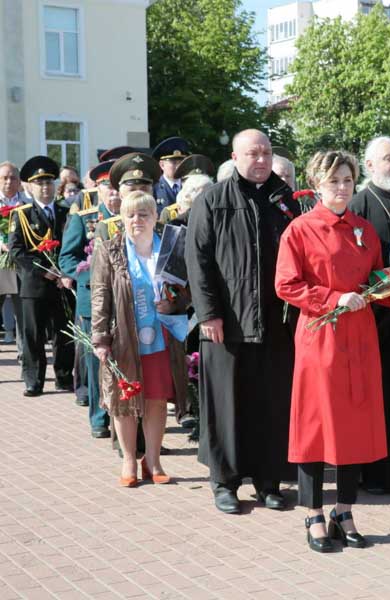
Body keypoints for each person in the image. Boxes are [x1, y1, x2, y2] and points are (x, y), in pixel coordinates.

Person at [275, 150, 390, 553]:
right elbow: (287, 285)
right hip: (321, 339)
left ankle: (344, 510)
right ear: (317, 183)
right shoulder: (300, 230)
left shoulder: (363, 229)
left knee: (354, 424)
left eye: (346, 180)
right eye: (333, 181)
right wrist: (332, 299)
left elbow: (375, 277)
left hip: (360, 336)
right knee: (315, 427)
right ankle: (313, 514)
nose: (341, 188)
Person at [186, 129, 302, 515]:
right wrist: (208, 313)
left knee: (270, 404)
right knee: (227, 406)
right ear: (235, 157)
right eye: (253, 153)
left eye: (267, 153)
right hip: (227, 323)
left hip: (276, 322)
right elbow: (197, 261)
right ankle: (225, 481)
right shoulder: (213, 200)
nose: (262, 160)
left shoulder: (285, 201)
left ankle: (269, 481)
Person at [90, 190, 190, 487]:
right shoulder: (110, 250)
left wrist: (174, 302)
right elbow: (100, 295)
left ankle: (154, 460)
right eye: (131, 214)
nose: (137, 220)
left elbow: (186, 290)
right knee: (125, 399)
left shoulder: (170, 249)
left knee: (157, 399)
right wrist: (100, 338)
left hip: (162, 337)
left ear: (155, 217)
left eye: (144, 214)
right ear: (122, 218)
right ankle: (129, 459)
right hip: (124, 338)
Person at [348, 136, 390, 494]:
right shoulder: (358, 207)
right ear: (370, 166)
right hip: (374, 319)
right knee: (377, 398)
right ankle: (376, 474)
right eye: (389, 159)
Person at [59, 160, 119, 438]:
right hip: (93, 302)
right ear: (98, 188)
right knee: (97, 362)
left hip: (128, 302)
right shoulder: (85, 217)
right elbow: (67, 258)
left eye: (117, 185)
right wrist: (91, 277)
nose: (113, 192)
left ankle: (127, 417)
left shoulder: (135, 216)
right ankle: (99, 417)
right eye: (107, 185)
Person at [8, 156, 75, 397]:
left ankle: (64, 376)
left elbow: (73, 245)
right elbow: (17, 250)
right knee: (33, 335)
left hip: (62, 283)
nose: (45, 187)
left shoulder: (66, 211)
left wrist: (63, 272)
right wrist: (43, 270)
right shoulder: (22, 214)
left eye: (49, 182)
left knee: (64, 333)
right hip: (34, 284)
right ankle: (34, 380)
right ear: (30, 186)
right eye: (40, 183)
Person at [0, 161, 24, 349]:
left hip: (20, 265)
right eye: (4, 178)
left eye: (13, 178)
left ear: (19, 181)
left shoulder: (26, 203)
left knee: (23, 316)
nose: (8, 182)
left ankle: (25, 356)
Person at [151, 136, 190, 213]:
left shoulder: (189, 186)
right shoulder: (154, 188)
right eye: (174, 163)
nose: (178, 166)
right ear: (162, 165)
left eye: (181, 162)